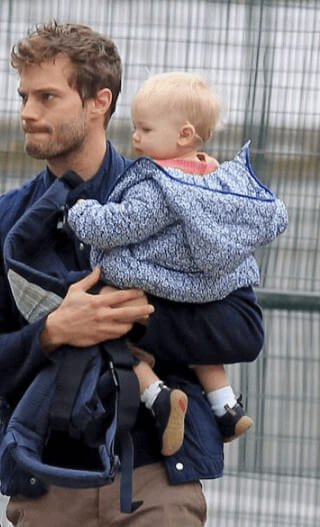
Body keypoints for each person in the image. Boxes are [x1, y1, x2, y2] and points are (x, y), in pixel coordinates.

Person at [0, 22, 265, 527]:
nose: (27, 112)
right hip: (45, 485)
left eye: (47, 97)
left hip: (159, 484)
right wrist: (54, 331)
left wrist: (131, 316)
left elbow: (243, 332)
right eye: (24, 96)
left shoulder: (177, 196)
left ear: (100, 101)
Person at [66, 71, 287, 454]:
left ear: (183, 134)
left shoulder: (160, 187)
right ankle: (226, 406)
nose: (134, 137)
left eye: (145, 129)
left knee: (110, 328)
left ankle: (157, 396)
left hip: (157, 281)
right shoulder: (214, 175)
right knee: (203, 350)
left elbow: (120, 227)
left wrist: (80, 211)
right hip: (213, 287)